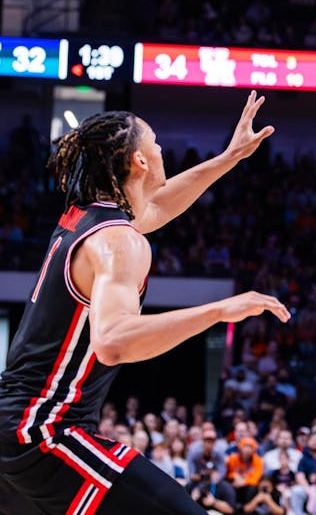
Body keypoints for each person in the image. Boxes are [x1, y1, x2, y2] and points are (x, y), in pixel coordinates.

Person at [0, 93, 290, 514]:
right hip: (44, 431)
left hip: (15, 422)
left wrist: (231, 157)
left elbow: (155, 205)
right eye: (154, 142)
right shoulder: (120, 241)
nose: (160, 150)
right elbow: (113, 341)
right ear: (139, 161)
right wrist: (217, 310)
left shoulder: (86, 216)